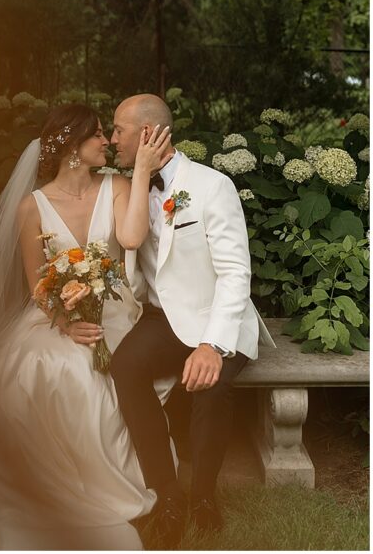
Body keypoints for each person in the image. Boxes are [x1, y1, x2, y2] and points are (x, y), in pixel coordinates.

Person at [0, 103, 172, 550]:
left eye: (107, 133)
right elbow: (38, 285)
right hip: (61, 314)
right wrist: (67, 323)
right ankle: (42, 485)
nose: (107, 141)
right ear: (74, 149)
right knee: (37, 364)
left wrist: (140, 172)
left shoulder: (118, 186)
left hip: (118, 312)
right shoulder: (32, 207)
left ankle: (102, 477)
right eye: (98, 135)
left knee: (90, 373)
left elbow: (133, 238)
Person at [109, 93, 274, 545]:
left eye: (118, 129)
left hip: (217, 316)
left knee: (211, 384)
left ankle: (203, 495)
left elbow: (235, 272)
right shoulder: (130, 185)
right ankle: (166, 494)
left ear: (147, 133)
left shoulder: (211, 185)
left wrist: (211, 345)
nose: (111, 138)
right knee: (124, 366)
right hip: (163, 318)